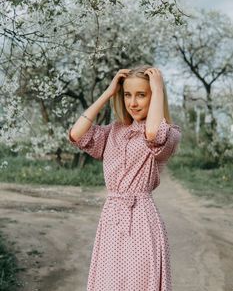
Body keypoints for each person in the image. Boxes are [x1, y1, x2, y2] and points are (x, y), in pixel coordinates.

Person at [68, 64, 182, 291]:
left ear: (154, 97)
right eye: (128, 95)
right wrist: (108, 93)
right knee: (108, 283)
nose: (133, 103)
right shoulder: (114, 131)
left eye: (142, 95)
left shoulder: (170, 133)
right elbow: (76, 134)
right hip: (111, 218)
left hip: (142, 220)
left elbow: (153, 134)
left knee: (139, 283)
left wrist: (158, 89)